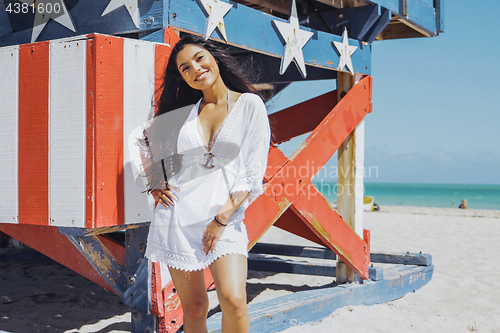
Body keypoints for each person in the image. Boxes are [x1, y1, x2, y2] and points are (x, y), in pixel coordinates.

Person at [141, 34, 271, 333]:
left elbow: (252, 173)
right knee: (195, 307)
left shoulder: (249, 105)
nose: (195, 69)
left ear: (213, 57)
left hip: (224, 218)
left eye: (199, 58)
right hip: (177, 217)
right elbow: (148, 145)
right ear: (183, 78)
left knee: (234, 299)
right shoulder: (183, 116)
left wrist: (221, 219)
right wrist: (156, 182)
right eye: (185, 68)